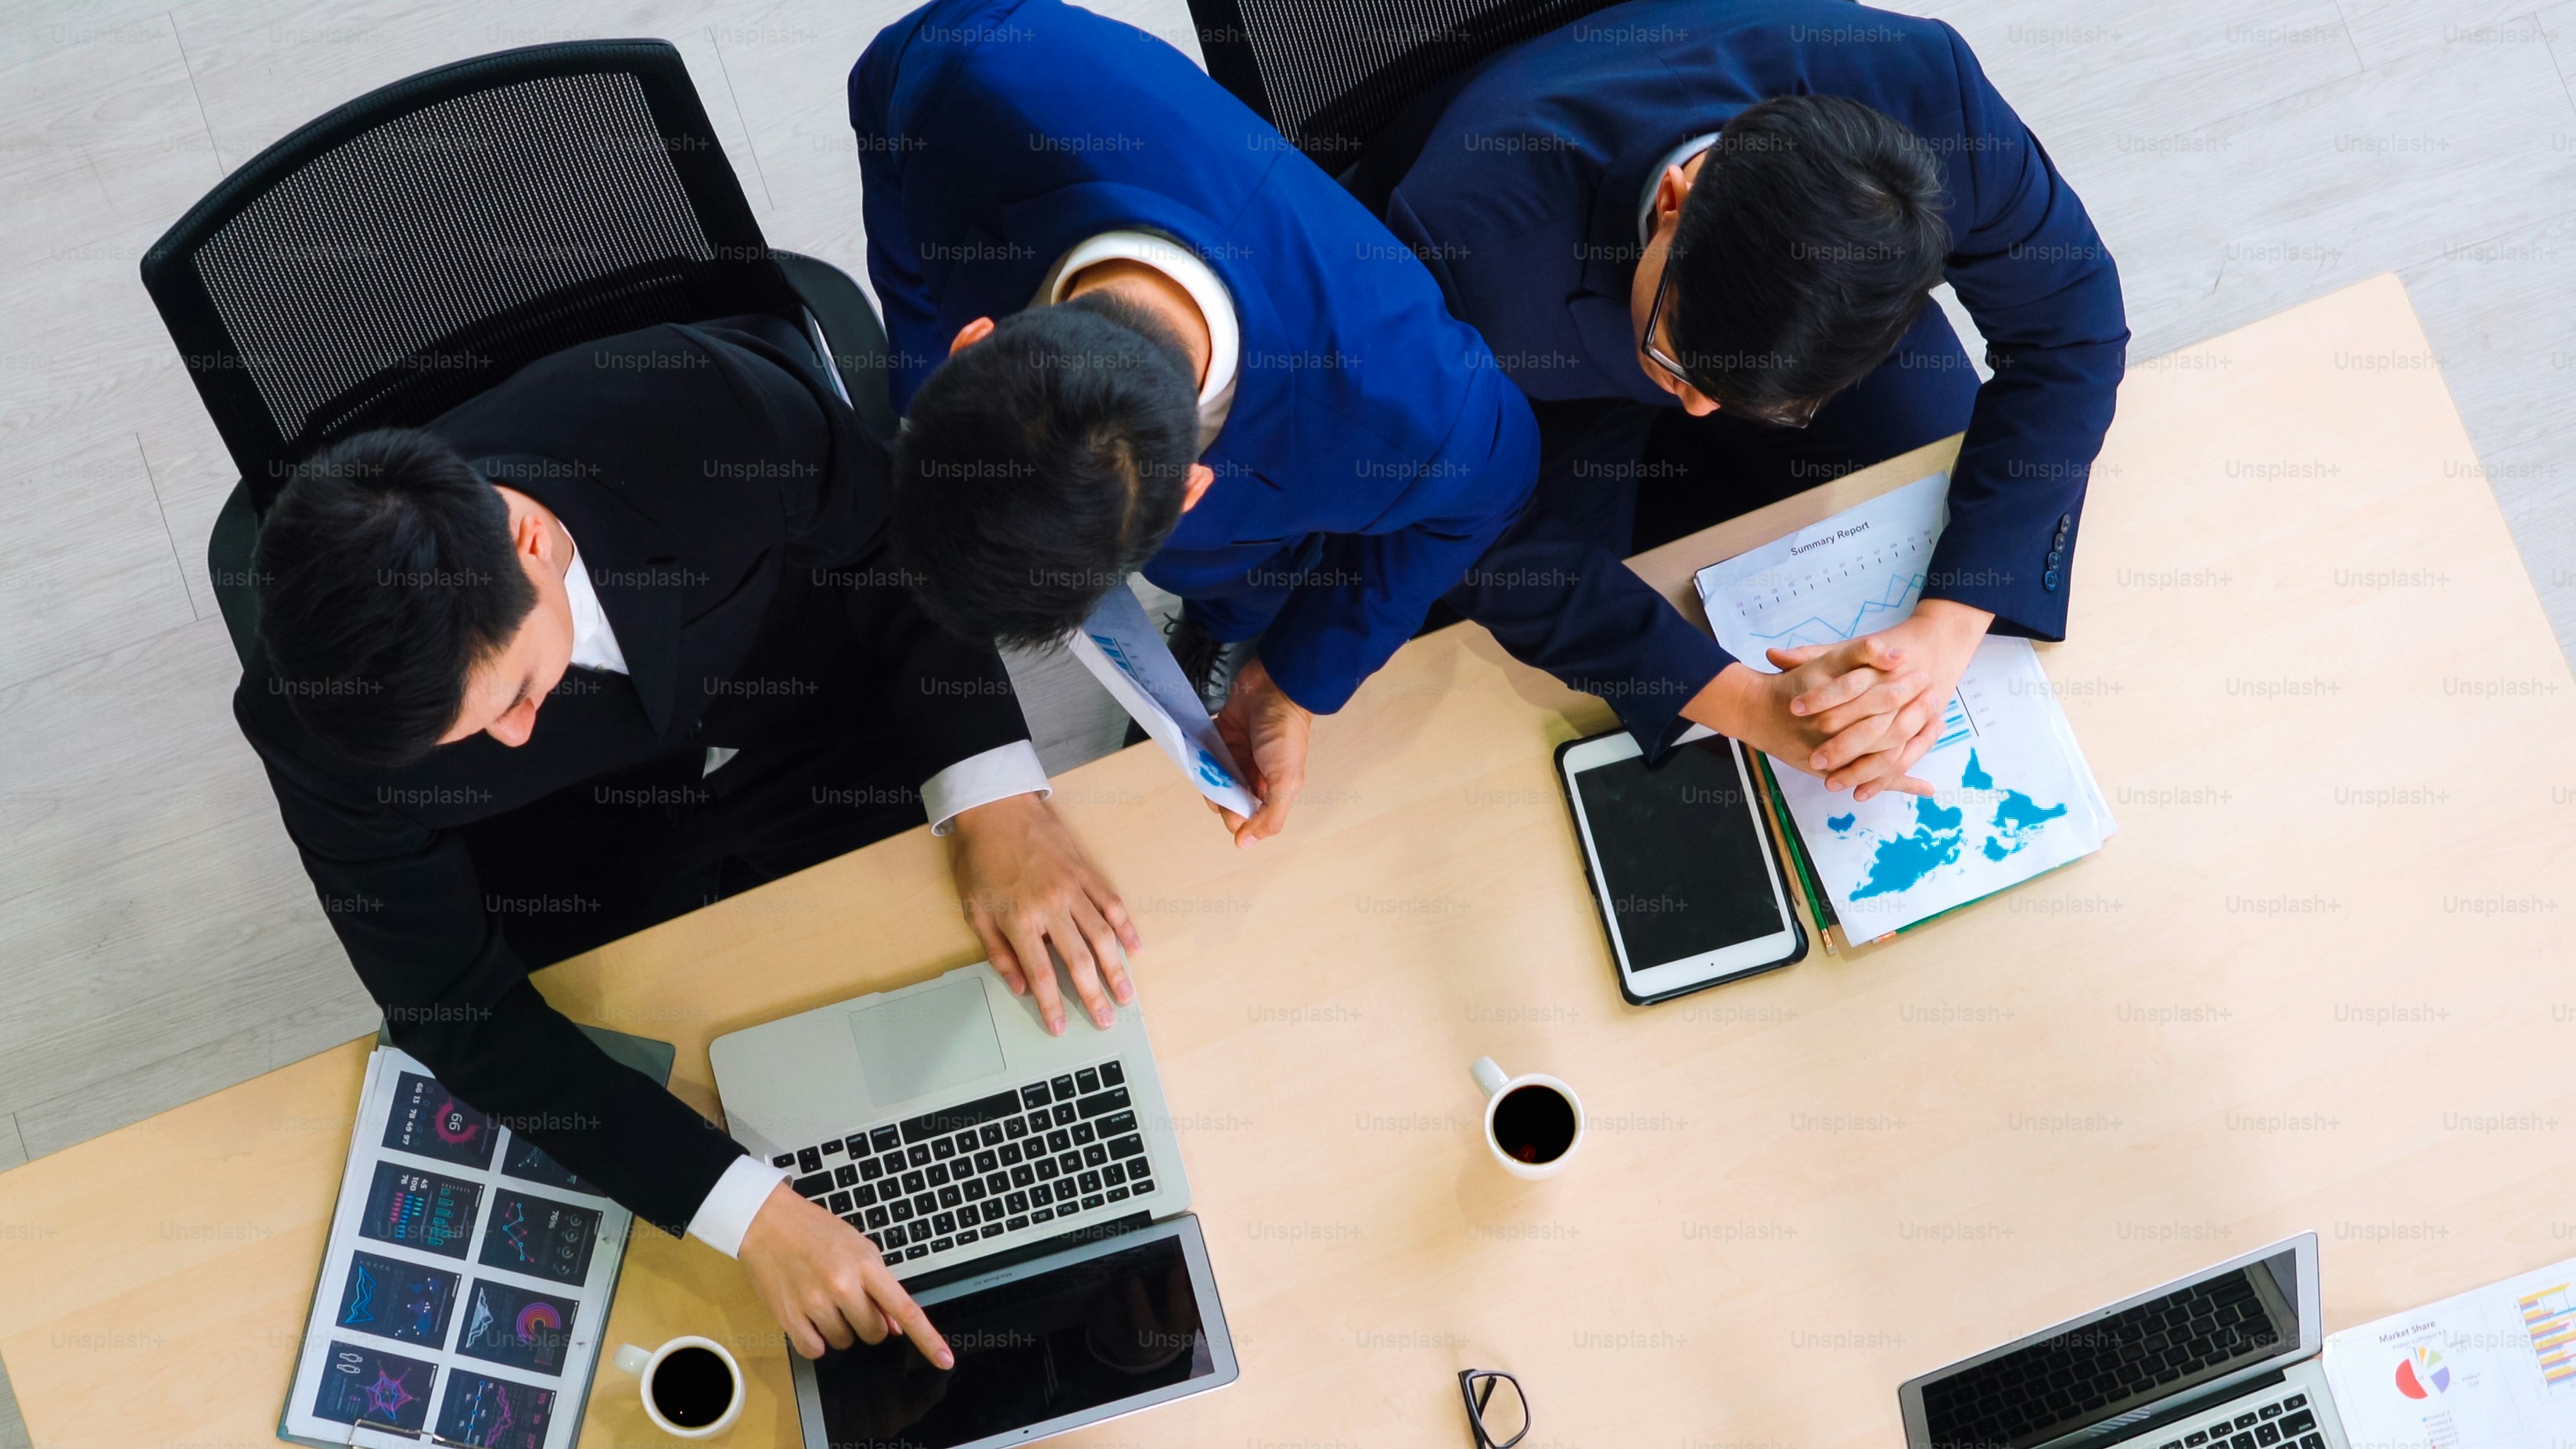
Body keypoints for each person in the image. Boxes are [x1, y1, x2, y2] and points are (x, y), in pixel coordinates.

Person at [239, 313, 1140, 1365]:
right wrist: (747, 1211)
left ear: (528, 540)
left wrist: (997, 800)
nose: (519, 732)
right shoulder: (310, 715)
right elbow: (460, 1012)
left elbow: (901, 544)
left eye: (517, 690)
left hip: (802, 703)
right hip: (566, 855)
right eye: (474, 731)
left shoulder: (714, 415)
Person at [1380, 0, 2129, 798]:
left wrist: (1946, 627)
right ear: (1674, 202)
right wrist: (1744, 703)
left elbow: (2070, 330)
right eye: (1677, 366)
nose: (1699, 410)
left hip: (1791, 319)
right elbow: (1445, 504)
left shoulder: (1928, 98)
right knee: (1541, 633)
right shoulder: (1461, 239)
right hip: (1526, 379)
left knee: (1930, 483)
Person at [850, 0, 1540, 847]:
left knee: (1231, 575)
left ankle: (1231, 620)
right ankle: (1222, 615)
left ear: (1191, 490)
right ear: (969, 343)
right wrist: (922, 374)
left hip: (1312, 419)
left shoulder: (1409, 419)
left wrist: (1297, 679)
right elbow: (879, 80)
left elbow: (1496, 482)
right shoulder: (970, 75)